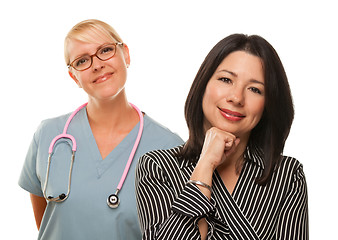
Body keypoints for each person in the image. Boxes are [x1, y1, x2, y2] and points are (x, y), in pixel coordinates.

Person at [18, 19, 183, 240]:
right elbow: (49, 223)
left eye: (105, 50)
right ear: (73, 76)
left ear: (126, 55)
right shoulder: (49, 135)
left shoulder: (170, 147)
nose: (97, 65)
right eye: (82, 60)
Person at [136, 34, 308, 240]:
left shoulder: (287, 175)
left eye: (255, 89)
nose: (236, 97)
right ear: (203, 85)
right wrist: (205, 165)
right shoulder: (157, 167)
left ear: (268, 104)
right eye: (226, 79)